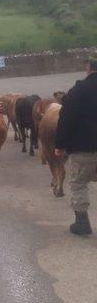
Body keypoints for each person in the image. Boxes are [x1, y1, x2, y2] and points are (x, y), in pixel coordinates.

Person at [55, 56, 97, 235]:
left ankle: (82, 223)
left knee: (79, 183)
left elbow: (66, 119)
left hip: (82, 148)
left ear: (88, 68)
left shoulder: (77, 91)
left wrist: (60, 144)